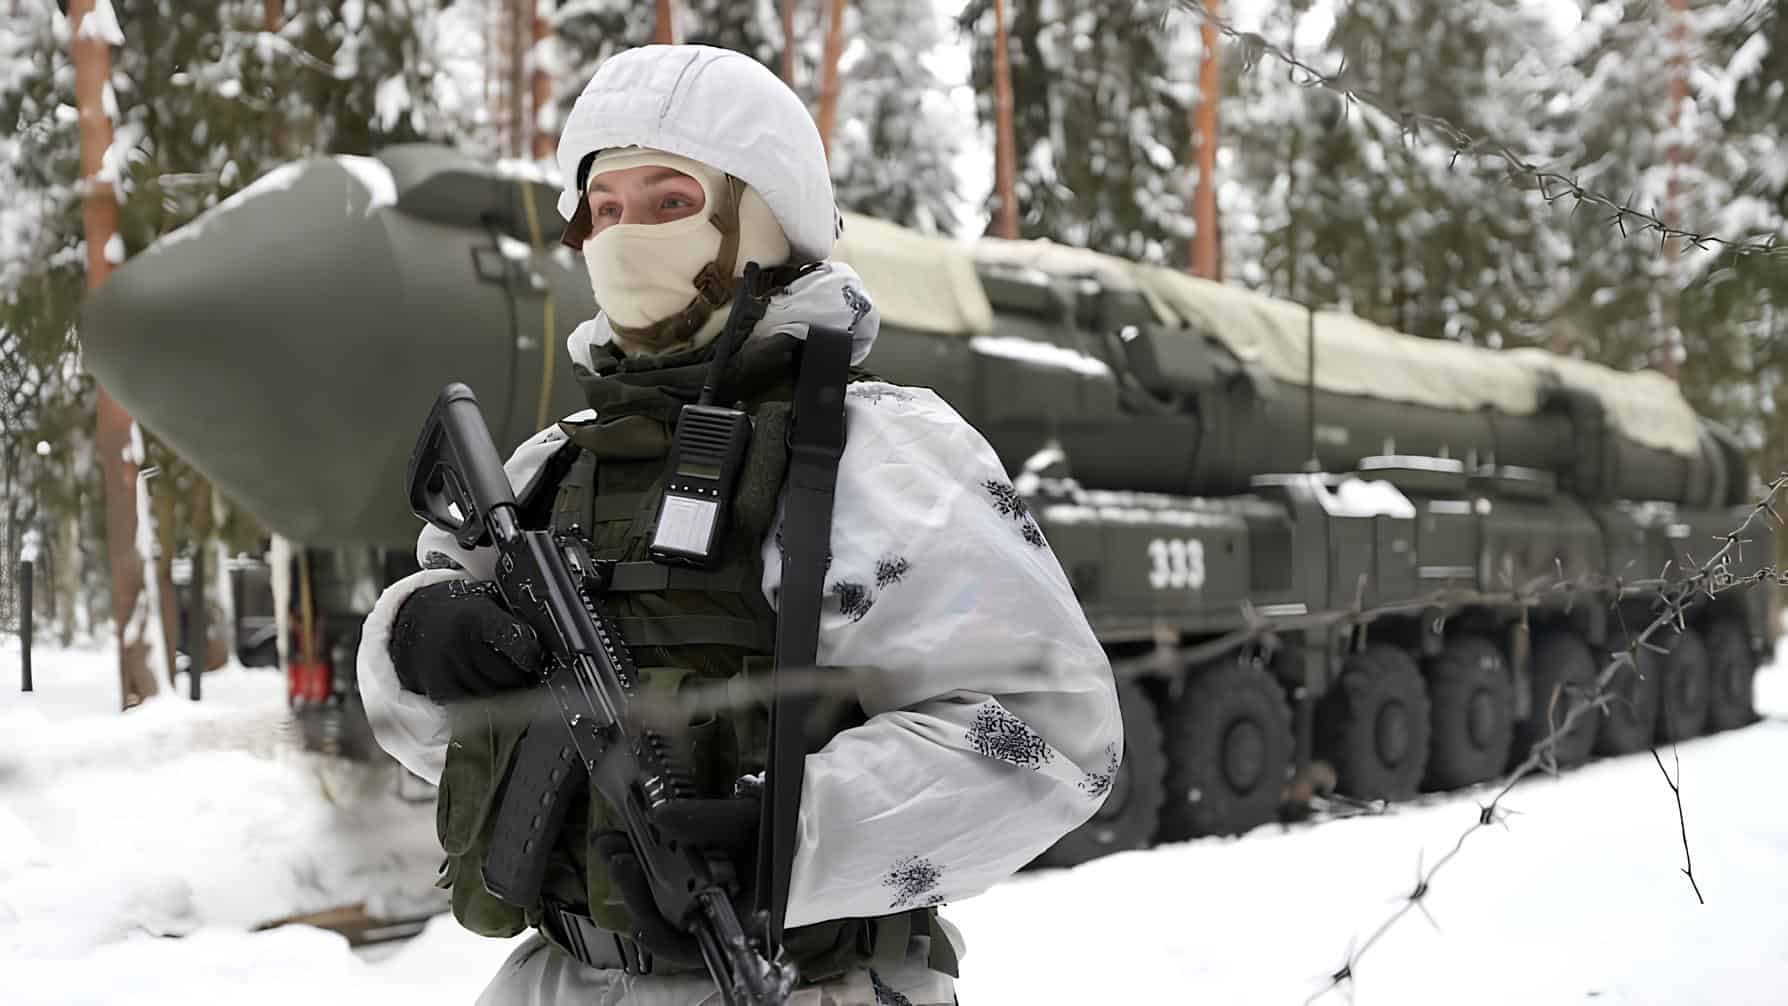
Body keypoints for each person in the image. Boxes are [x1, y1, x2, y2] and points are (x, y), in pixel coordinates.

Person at [357, 43, 1122, 1006]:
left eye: (670, 202)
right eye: (606, 209)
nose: (627, 234)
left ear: (759, 216)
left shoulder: (878, 455)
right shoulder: (552, 465)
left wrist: (795, 835)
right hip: (557, 979)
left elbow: (1053, 740)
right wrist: (420, 640)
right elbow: (434, 734)